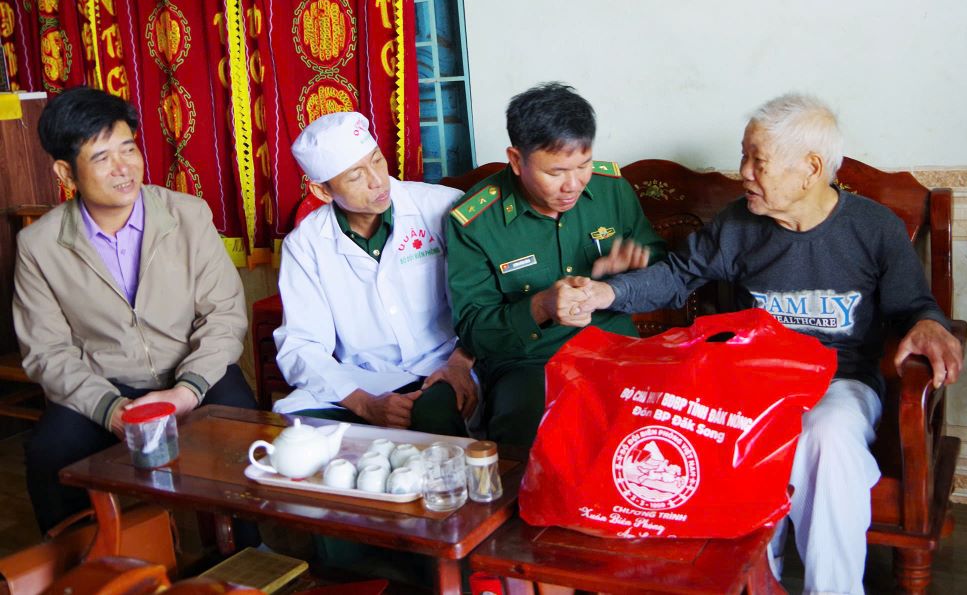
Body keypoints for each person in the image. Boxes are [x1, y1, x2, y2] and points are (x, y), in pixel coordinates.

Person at [566, 93, 964, 595]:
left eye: (758, 161)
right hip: (754, 384)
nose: (743, 172)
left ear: (810, 169)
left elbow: (915, 306)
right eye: (744, 156)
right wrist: (607, 292)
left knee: (826, 433)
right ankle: (761, 583)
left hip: (840, 381)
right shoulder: (740, 223)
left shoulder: (873, 229)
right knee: (742, 430)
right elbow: (677, 276)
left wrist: (929, 322)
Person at [13, 86, 258, 534]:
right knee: (49, 451)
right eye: (101, 157)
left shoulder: (188, 215)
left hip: (192, 369)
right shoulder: (39, 245)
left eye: (128, 148)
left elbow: (223, 315)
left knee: (240, 427)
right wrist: (112, 410)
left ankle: (246, 555)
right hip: (106, 386)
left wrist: (185, 392)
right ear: (65, 173)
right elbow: (46, 352)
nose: (123, 168)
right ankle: (81, 566)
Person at [445, 82, 667, 446]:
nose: (573, 185)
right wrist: (540, 306)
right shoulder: (474, 221)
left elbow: (661, 271)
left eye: (584, 165)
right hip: (526, 362)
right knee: (536, 435)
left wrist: (631, 270)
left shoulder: (614, 190)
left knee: (665, 423)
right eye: (556, 172)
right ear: (516, 160)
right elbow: (473, 330)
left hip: (614, 346)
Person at [272, 112, 474, 437]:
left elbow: (489, 300)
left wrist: (460, 363)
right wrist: (365, 404)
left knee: (431, 418)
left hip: (442, 363)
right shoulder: (306, 244)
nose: (377, 180)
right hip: (363, 378)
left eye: (377, 160)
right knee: (297, 426)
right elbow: (302, 343)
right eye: (355, 176)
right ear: (323, 191)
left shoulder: (440, 207)